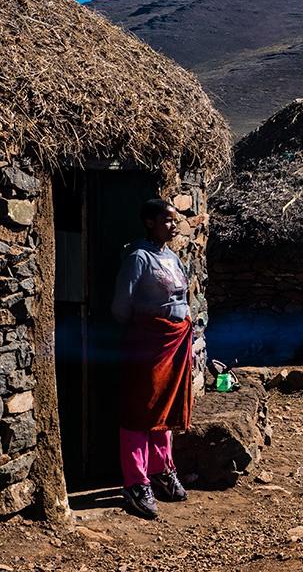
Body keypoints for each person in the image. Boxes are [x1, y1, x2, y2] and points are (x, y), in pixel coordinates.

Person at [111, 199, 192, 519]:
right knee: (140, 408)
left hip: (175, 343)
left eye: (175, 221)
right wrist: (149, 329)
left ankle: (161, 471)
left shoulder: (172, 258)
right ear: (149, 222)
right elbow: (121, 307)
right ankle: (135, 483)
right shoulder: (138, 259)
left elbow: (182, 299)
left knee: (165, 407)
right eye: (167, 220)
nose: (173, 226)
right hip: (147, 343)